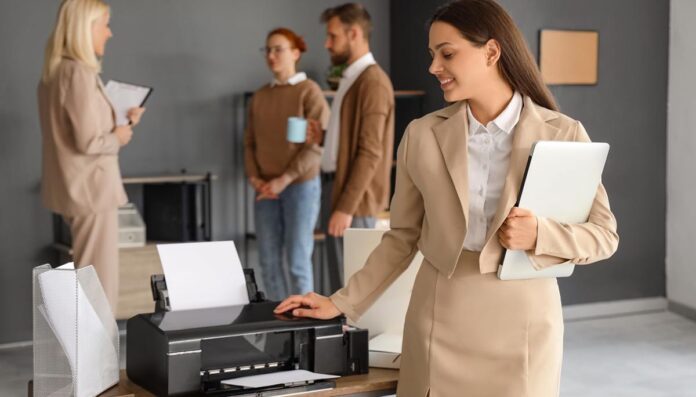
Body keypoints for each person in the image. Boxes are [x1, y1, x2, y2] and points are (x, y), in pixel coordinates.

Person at [275, 0, 619, 395]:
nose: (433, 67)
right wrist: (341, 302)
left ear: (491, 52)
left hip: (523, 327)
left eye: (447, 53)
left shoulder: (563, 133)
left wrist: (541, 234)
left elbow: (604, 236)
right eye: (432, 54)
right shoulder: (421, 136)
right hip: (439, 321)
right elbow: (402, 237)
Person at [38, 0, 145, 314]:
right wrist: (120, 136)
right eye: (105, 24)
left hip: (73, 187)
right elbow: (89, 141)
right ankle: (97, 361)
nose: (109, 33)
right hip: (92, 190)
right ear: (86, 28)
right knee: (98, 285)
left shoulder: (53, 73)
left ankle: (90, 359)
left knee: (88, 279)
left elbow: (71, 132)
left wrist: (120, 121)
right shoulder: (79, 73)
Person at [244, 28, 330, 301]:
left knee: (297, 261)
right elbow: (249, 143)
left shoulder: (309, 91)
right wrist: (255, 179)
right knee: (268, 262)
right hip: (265, 190)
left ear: (295, 53)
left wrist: (285, 179)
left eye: (278, 49)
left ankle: (304, 329)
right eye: (267, 50)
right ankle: (278, 328)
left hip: (300, 187)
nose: (271, 55)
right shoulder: (260, 97)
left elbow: (316, 146)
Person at [317, 3, 395, 291]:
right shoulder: (354, 79)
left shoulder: (372, 83)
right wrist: (323, 138)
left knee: (350, 291)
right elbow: (353, 140)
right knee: (342, 288)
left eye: (332, 36)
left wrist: (345, 206)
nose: (327, 44)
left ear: (353, 33)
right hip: (340, 191)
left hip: (354, 201)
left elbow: (370, 151)